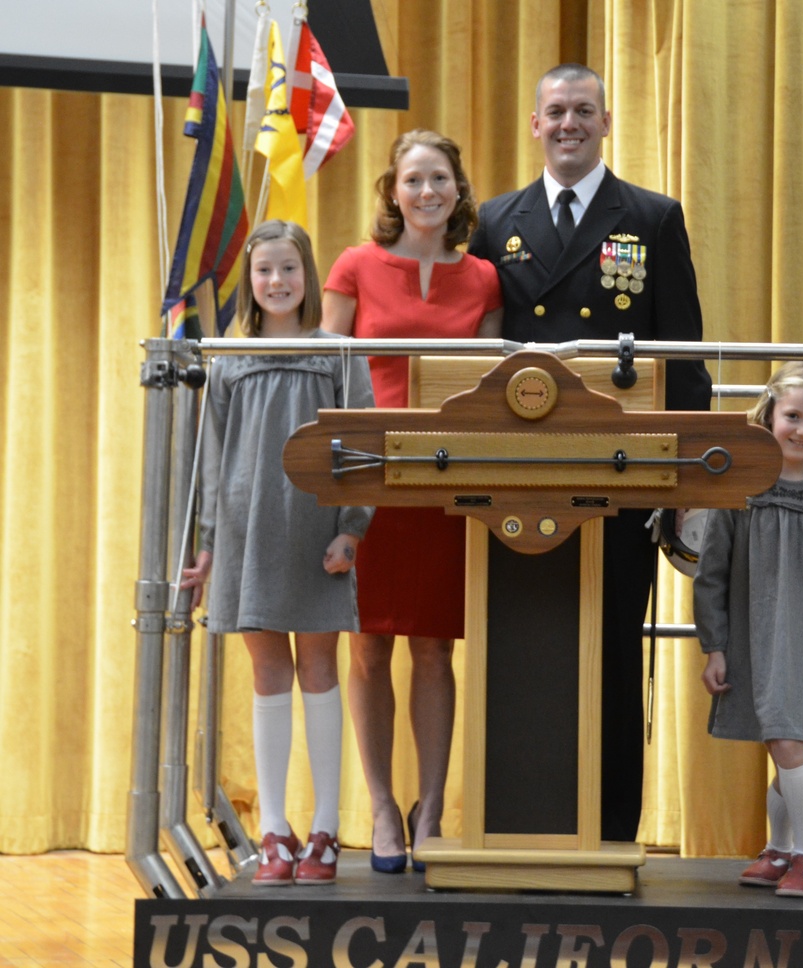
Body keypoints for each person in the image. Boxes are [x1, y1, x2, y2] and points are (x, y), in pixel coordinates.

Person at [467, 63, 713, 842]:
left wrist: (678, 480)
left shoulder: (651, 216)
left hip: (621, 475)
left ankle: (608, 833)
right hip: (516, 479)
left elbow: (685, 358)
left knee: (608, 649)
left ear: (606, 122)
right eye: (555, 111)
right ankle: (514, 827)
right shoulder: (495, 220)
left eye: (583, 111)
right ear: (534, 125)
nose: (568, 123)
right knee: (519, 646)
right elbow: (471, 355)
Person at [322, 129, 503, 873]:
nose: (426, 192)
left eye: (439, 179)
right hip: (366, 472)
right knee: (368, 644)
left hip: (446, 475)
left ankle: (431, 809)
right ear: (392, 192)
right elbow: (325, 373)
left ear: (459, 189)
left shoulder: (487, 278)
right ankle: (380, 807)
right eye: (412, 180)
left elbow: (491, 388)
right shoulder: (354, 265)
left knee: (433, 646)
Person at [181, 220, 375, 886]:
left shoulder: (341, 354)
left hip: (318, 531)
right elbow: (211, 457)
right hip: (248, 531)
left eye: (288, 268)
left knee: (320, 664)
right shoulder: (229, 357)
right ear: (251, 284)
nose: (277, 281)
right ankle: (274, 830)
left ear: (308, 275)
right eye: (264, 271)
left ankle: (324, 828)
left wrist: (352, 528)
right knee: (268, 671)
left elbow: (364, 448)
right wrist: (207, 542)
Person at [693, 361, 803, 897]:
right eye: (793, 415)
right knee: (777, 743)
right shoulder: (741, 491)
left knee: (789, 741)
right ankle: (780, 848)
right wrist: (715, 646)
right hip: (752, 642)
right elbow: (712, 576)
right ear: (768, 414)